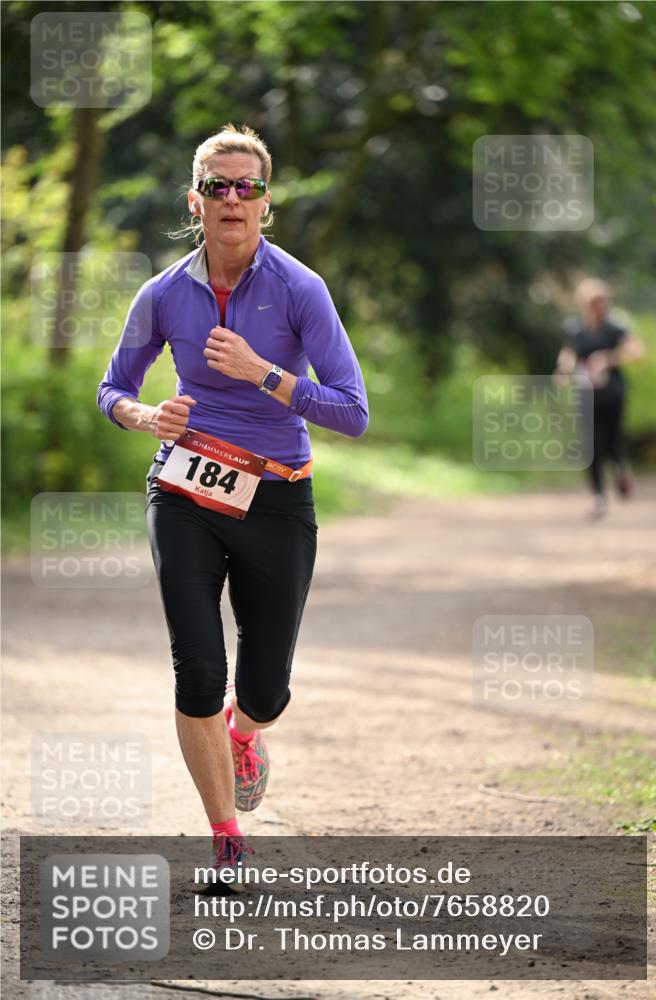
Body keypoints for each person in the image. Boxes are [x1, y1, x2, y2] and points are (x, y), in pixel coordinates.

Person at [97, 124, 369, 886]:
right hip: (183, 487)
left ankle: (245, 732)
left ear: (265, 204)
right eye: (217, 186)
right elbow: (111, 387)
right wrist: (144, 417)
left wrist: (264, 375)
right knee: (195, 669)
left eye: (246, 187)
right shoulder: (163, 293)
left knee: (263, 686)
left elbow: (351, 411)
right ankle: (225, 839)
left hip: (277, 496)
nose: (232, 199)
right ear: (195, 200)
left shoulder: (298, 289)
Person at [555, 278, 644, 520]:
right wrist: (563, 370)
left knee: (614, 438)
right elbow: (569, 352)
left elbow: (636, 351)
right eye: (593, 301)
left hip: (613, 393)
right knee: (591, 445)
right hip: (586, 393)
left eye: (601, 300)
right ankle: (597, 496)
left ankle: (620, 470)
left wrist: (609, 358)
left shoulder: (615, 326)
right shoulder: (575, 328)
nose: (598, 305)